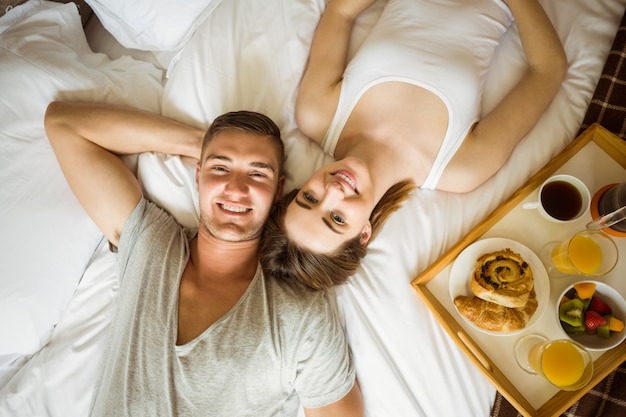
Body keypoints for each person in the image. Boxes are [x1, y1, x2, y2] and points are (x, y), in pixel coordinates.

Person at [44, 101, 363, 416]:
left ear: (278, 190)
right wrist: (199, 142)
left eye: (257, 174)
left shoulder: (300, 316)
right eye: (220, 169)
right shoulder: (152, 244)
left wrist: (214, 153)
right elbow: (64, 123)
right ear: (197, 176)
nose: (237, 188)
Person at [260, 0, 568, 291]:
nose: (333, 191)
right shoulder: (460, 169)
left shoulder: (317, 114)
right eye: (337, 219)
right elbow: (548, 70)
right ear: (364, 233)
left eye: (310, 197)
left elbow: (341, 12)